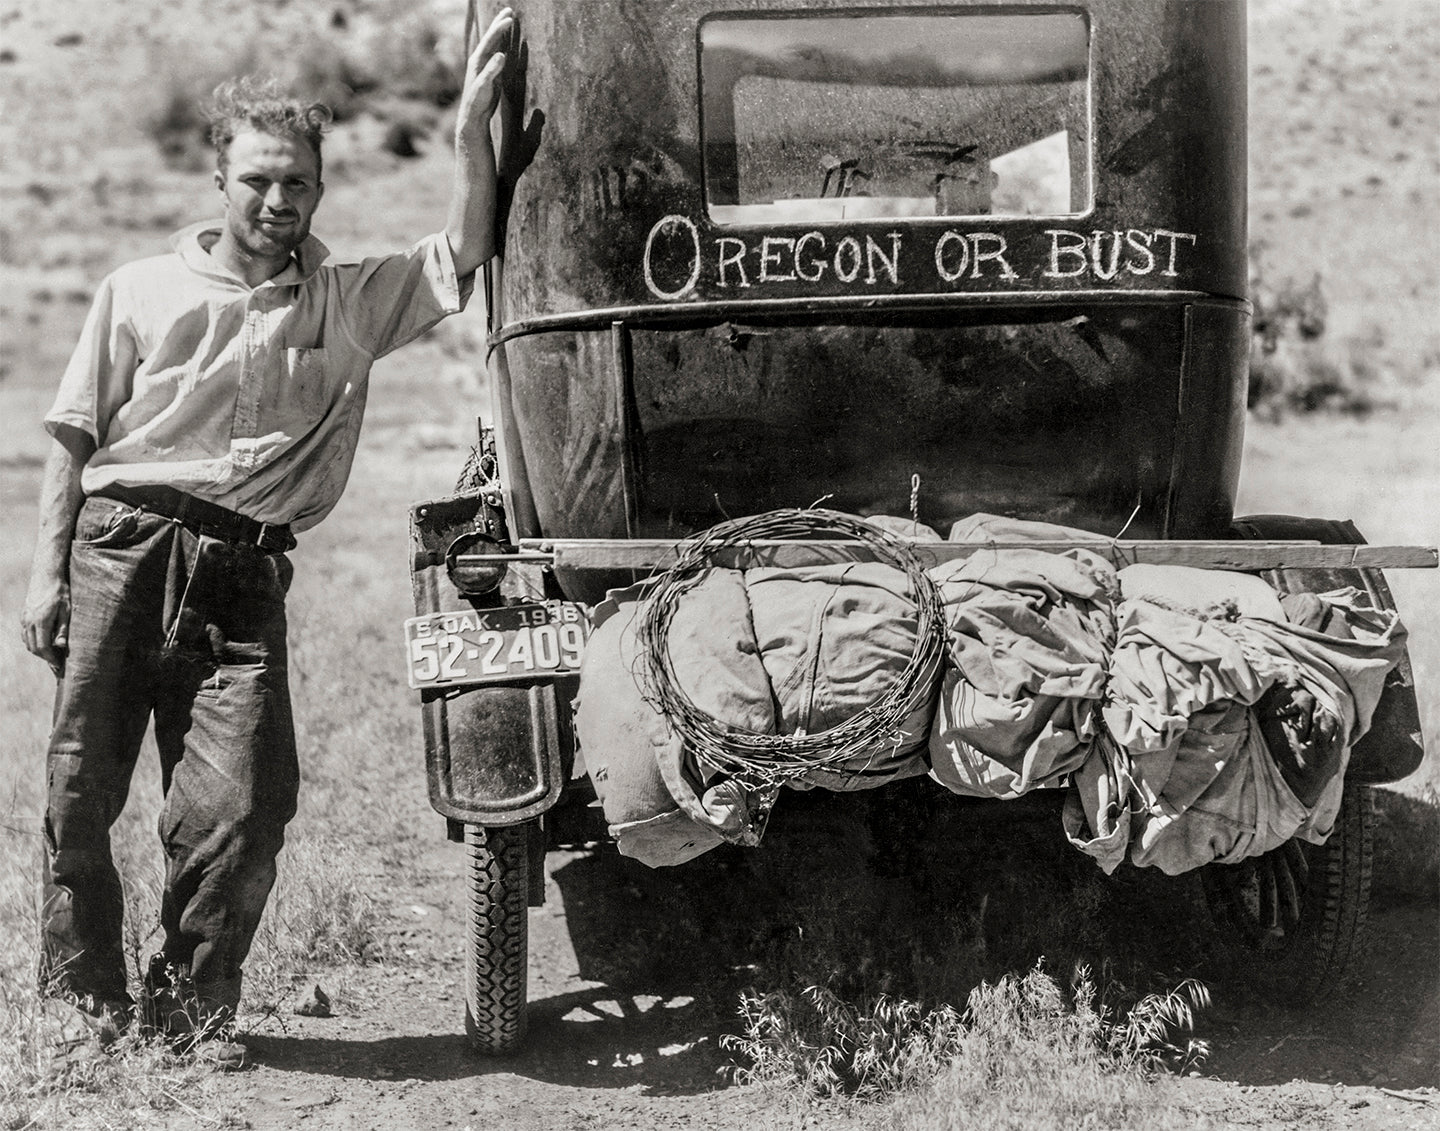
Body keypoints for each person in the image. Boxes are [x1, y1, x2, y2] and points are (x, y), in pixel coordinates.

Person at [19, 8, 516, 1069]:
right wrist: (43, 578)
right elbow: (72, 437)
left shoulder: (348, 301)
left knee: (244, 805)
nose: (277, 200)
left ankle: (189, 1012)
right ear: (219, 181)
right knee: (80, 792)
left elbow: (464, 252)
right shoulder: (137, 291)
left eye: (297, 182)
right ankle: (81, 1004)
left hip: (243, 576)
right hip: (123, 549)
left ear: (319, 189)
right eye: (256, 179)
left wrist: (469, 131)